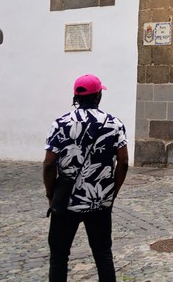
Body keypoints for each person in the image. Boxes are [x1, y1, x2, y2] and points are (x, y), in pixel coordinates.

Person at [43, 74, 128, 282]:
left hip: (66, 201)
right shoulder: (114, 124)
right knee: (103, 255)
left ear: (76, 96)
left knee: (59, 257)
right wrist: (112, 193)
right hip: (99, 200)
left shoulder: (61, 123)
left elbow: (49, 163)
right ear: (98, 95)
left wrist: (50, 194)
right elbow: (124, 162)